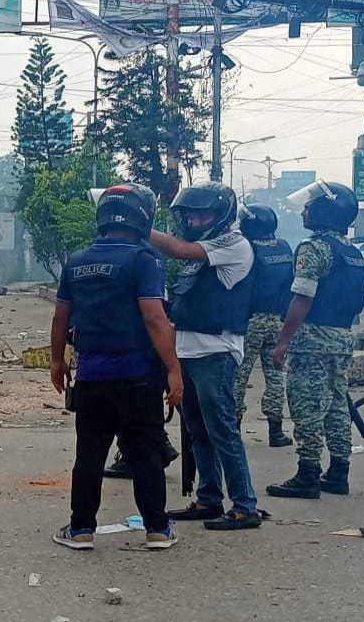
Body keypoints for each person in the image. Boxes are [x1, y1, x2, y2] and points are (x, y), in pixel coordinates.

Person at [50, 184, 184, 551]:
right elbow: (156, 319)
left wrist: (57, 361)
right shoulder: (144, 259)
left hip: (92, 377)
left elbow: (61, 317)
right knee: (145, 453)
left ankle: (81, 530)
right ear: (143, 216)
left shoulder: (76, 261)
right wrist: (174, 369)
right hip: (138, 377)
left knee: (89, 455)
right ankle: (157, 528)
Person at [148, 182, 263, 531]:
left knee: (222, 430)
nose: (195, 220)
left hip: (216, 353)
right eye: (191, 214)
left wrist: (137, 222)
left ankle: (245, 505)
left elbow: (180, 250)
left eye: (203, 214)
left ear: (222, 215)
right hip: (187, 352)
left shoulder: (234, 244)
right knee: (198, 430)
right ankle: (208, 498)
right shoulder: (205, 250)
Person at [267, 180, 364, 499]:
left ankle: (308, 473)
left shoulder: (314, 248)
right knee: (338, 404)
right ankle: (339, 471)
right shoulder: (354, 253)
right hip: (341, 338)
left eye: (310, 206)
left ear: (326, 210)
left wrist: (284, 340)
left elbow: (302, 298)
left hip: (312, 339)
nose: (305, 210)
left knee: (307, 404)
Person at [235, 203, 295, 447]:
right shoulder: (284, 247)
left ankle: (234, 428)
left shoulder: (246, 248)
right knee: (275, 376)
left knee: (239, 375)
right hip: (278, 321)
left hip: (251, 320)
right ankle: (276, 431)